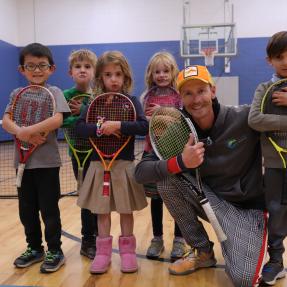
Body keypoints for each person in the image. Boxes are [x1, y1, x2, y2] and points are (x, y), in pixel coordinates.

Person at [135, 65, 268, 287]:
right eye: (188, 93)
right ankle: (203, 252)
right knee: (167, 180)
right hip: (211, 202)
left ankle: (252, 248)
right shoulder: (178, 131)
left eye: (201, 91)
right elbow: (140, 172)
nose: (196, 99)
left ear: (213, 91)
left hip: (248, 210)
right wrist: (181, 162)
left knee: (243, 280)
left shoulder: (244, 118)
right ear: (181, 98)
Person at [75, 51, 148, 274]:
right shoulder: (94, 104)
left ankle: (127, 253)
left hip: (124, 165)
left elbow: (143, 126)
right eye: (108, 74)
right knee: (102, 213)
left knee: (126, 211)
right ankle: (103, 254)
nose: (113, 79)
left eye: (118, 74)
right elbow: (80, 128)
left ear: (125, 78)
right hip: (99, 166)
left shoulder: (132, 102)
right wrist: (100, 128)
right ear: (100, 78)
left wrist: (118, 125)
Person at [2, 43, 70, 273]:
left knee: (49, 210)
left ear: (52, 68)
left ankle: (55, 250)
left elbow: (57, 120)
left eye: (42, 65)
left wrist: (27, 131)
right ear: (22, 69)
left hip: (48, 164)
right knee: (26, 210)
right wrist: (22, 132)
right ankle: (34, 248)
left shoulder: (55, 92)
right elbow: (7, 121)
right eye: (31, 66)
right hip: (22, 164)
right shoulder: (16, 94)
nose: (37, 70)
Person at [140, 51, 188, 261]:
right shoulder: (146, 97)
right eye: (157, 71)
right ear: (151, 73)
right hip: (152, 152)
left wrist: (161, 113)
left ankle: (179, 239)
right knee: (157, 198)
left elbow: (183, 120)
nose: (161, 75)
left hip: (175, 152)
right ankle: (157, 238)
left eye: (165, 71)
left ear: (172, 72)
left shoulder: (179, 95)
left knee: (179, 197)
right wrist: (149, 120)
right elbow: (144, 124)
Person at [248, 31, 287, 286]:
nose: (285, 61)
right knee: (276, 212)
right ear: (269, 61)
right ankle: (276, 261)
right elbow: (255, 120)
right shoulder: (264, 89)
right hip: (275, 165)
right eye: (279, 57)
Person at [62, 49, 98, 260]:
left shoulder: (98, 96)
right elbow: (62, 122)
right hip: (78, 154)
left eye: (87, 67)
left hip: (99, 154)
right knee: (85, 197)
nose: (82, 70)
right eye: (78, 67)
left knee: (99, 197)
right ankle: (88, 239)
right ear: (70, 72)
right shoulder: (65, 96)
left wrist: (83, 111)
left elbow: (98, 123)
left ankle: (100, 235)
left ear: (94, 72)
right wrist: (81, 117)